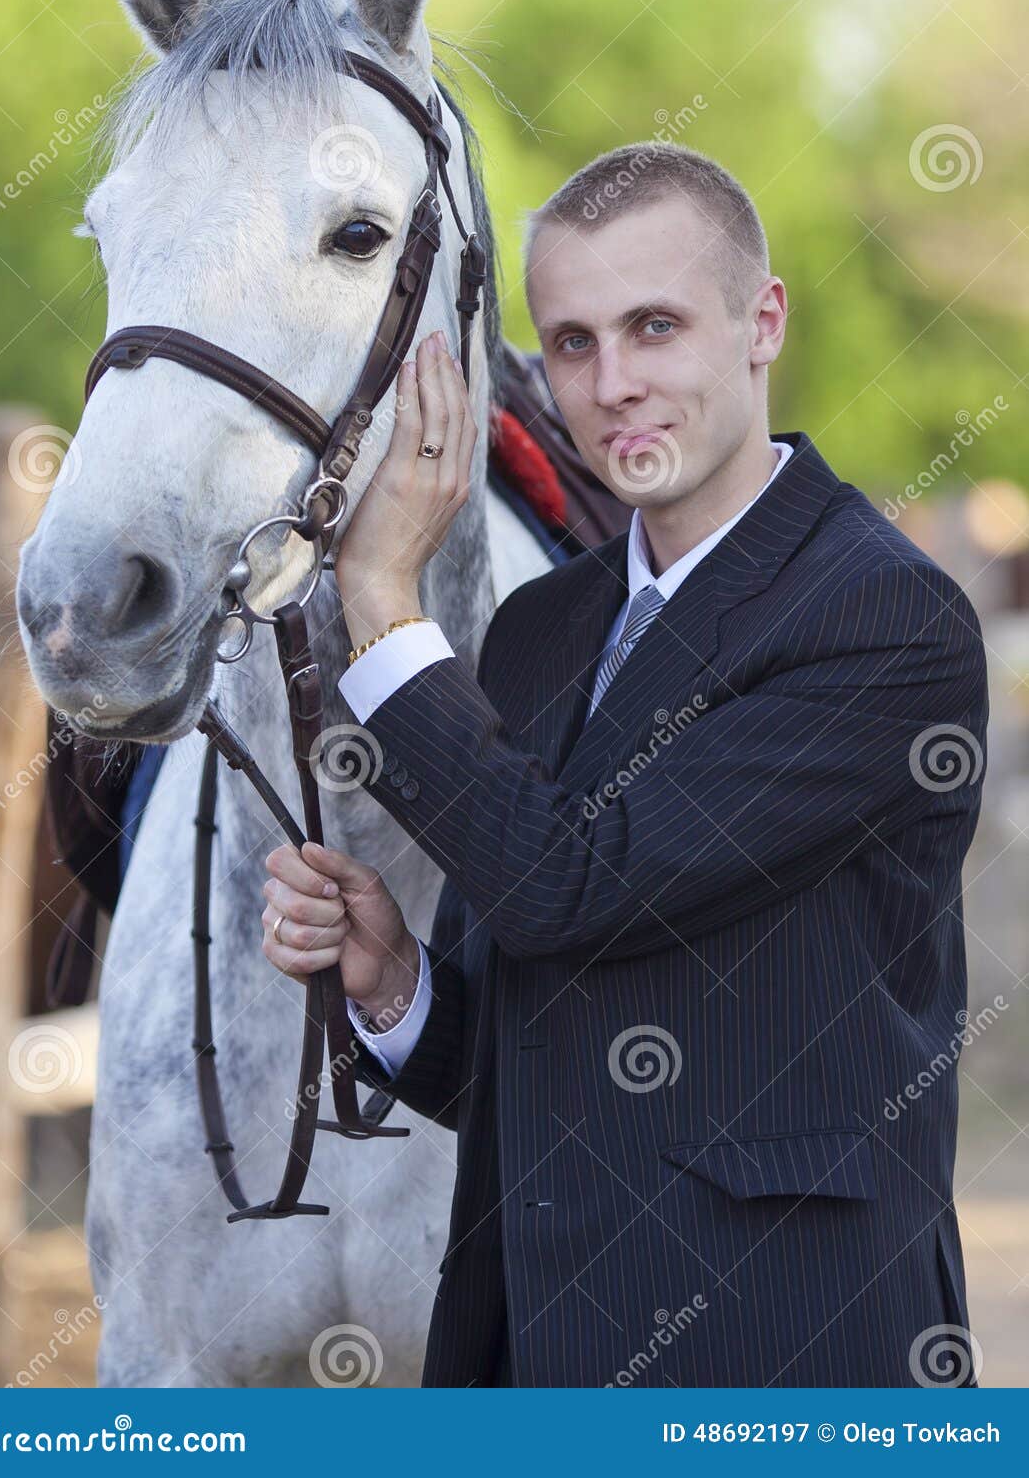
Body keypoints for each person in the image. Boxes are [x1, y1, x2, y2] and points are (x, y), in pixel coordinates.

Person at [260, 144, 988, 1389]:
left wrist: (377, 595)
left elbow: (572, 887)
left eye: (653, 326)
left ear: (761, 322)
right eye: (575, 342)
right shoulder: (545, 630)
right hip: (526, 1357)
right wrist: (395, 987)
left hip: (781, 1357)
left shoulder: (883, 620)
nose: (613, 384)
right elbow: (535, 1066)